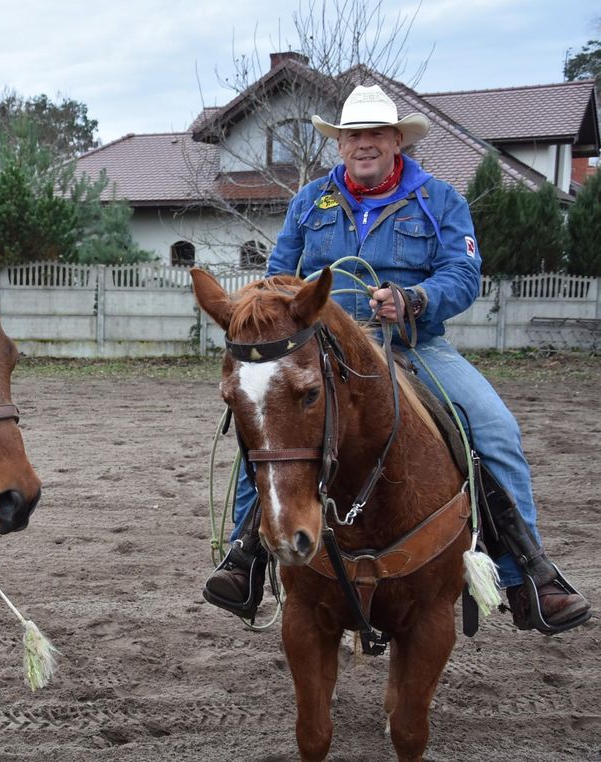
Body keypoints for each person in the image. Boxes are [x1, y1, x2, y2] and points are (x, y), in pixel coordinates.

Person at [203, 84, 591, 635]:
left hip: (416, 346)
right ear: (340, 145)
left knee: (496, 430)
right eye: (353, 136)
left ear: (395, 140)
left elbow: (462, 275)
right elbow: (276, 275)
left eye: (374, 135)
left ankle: (528, 573)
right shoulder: (310, 202)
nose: (363, 145)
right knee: (269, 428)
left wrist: (414, 299)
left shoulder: (439, 201)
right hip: (326, 353)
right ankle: (247, 557)